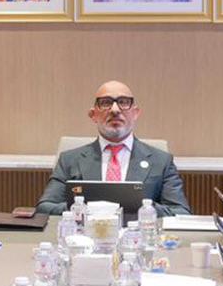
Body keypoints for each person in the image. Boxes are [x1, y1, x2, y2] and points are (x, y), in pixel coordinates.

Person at [35, 80, 192, 216]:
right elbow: (45, 208)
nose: (115, 110)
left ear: (135, 113)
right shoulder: (69, 160)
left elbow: (181, 212)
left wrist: (140, 206)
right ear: (93, 115)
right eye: (106, 103)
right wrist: (86, 208)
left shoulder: (161, 161)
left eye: (123, 102)